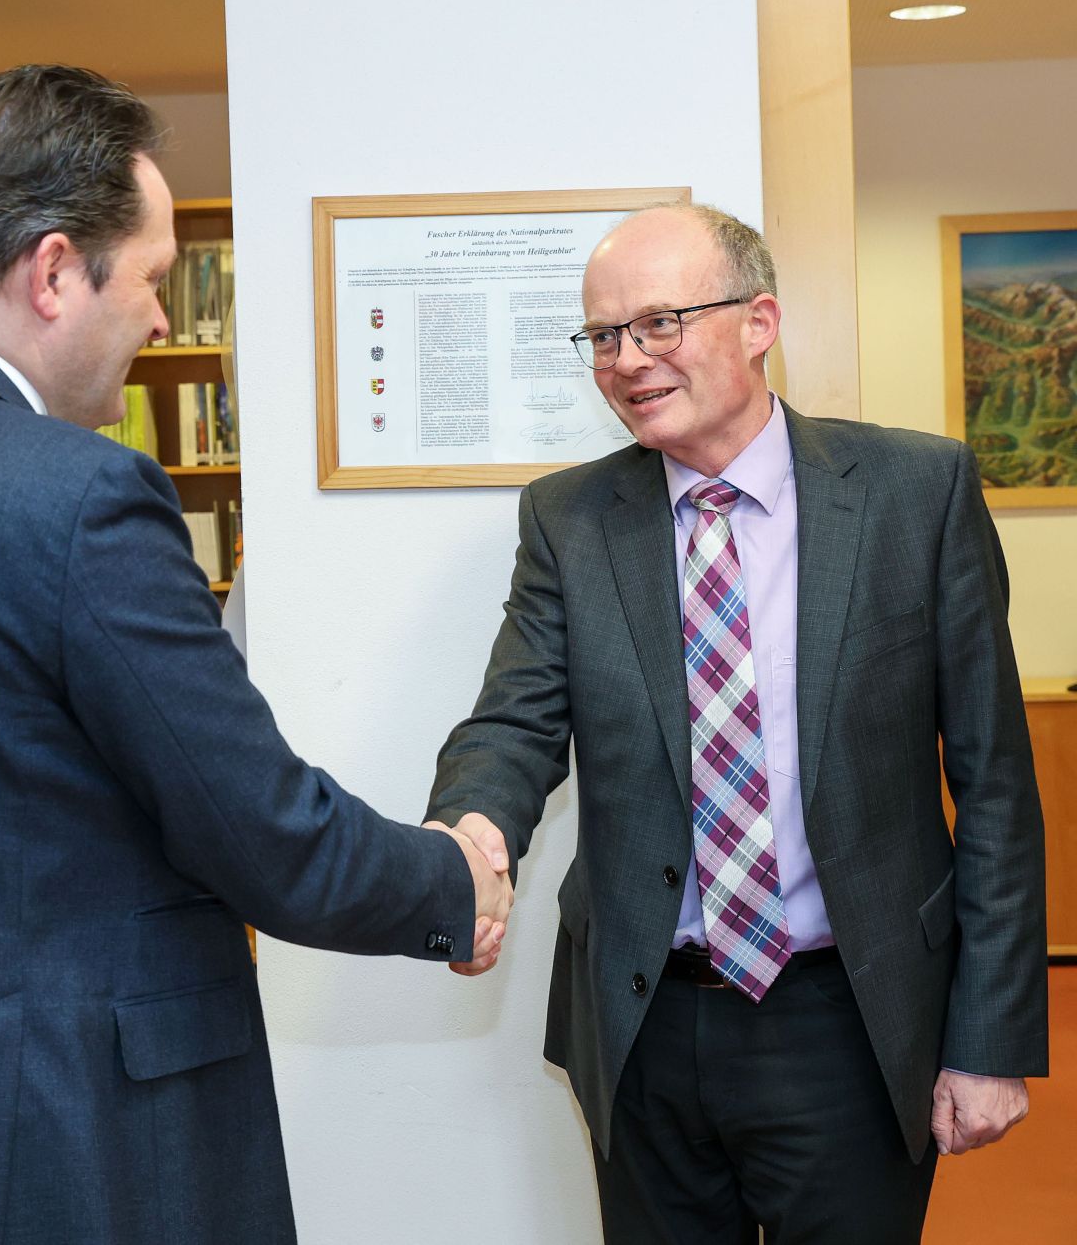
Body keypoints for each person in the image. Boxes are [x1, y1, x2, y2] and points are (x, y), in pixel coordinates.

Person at [0, 63, 511, 1244]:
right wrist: (446, 884)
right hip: (50, 1151)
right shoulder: (78, 496)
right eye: (153, 279)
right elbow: (250, 819)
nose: (161, 319)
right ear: (55, 270)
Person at [426, 203, 1048, 1243]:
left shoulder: (913, 492)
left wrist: (987, 1036)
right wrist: (470, 835)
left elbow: (992, 781)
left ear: (758, 321)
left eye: (658, 323)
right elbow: (514, 720)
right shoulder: (568, 519)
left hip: (847, 1014)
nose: (626, 360)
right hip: (644, 1018)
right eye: (603, 336)